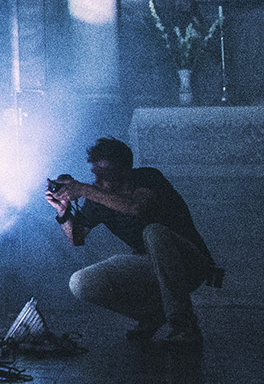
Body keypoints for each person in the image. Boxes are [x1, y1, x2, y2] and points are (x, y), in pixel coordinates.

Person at [47, 136, 216, 348]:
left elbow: (136, 208)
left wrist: (83, 190)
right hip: (150, 266)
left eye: (105, 175)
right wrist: (63, 211)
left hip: (189, 263)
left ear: (125, 171)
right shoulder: (98, 196)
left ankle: (184, 325)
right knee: (81, 283)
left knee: (154, 232)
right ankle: (152, 315)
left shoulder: (148, 178)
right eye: (96, 175)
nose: (98, 182)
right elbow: (76, 238)